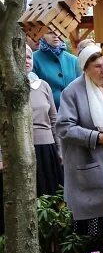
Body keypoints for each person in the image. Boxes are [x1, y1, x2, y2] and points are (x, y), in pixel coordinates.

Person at [55, 44, 103, 244]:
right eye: (97, 66)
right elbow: (64, 127)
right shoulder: (73, 91)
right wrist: (97, 137)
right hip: (90, 161)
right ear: (85, 68)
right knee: (98, 221)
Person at [25, 43, 62, 196]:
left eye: (29, 57)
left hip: (47, 149)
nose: (26, 60)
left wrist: (60, 149)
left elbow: (54, 120)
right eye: (22, 57)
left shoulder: (43, 86)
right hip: (22, 150)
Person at [32, 28, 78, 107]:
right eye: (50, 33)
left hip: (72, 111)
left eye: (59, 32)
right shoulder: (33, 59)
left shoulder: (74, 60)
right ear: (42, 35)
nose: (56, 35)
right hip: (47, 113)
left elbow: (80, 89)